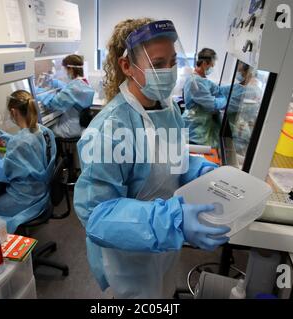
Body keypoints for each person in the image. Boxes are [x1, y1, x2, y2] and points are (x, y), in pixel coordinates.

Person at [73, 19, 230, 299]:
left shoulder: (167, 109)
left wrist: (201, 171)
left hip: (164, 244)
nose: (168, 71)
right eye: (158, 64)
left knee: (163, 293)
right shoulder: (108, 130)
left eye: (172, 61)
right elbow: (98, 216)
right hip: (127, 255)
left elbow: (169, 161)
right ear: (127, 67)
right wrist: (172, 221)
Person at [0, 90, 57, 233]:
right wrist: (10, 138)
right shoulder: (45, 131)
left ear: (14, 112)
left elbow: (0, 172)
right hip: (42, 194)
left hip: (25, 200)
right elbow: (35, 148)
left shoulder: (20, 142)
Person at [42, 54, 95, 139]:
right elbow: (71, 91)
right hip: (81, 125)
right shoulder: (84, 82)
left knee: (46, 130)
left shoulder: (74, 88)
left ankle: (58, 152)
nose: (65, 72)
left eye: (65, 69)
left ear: (70, 69)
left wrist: (41, 94)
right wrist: (55, 82)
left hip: (71, 128)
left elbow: (54, 103)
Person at [182, 48, 227, 146]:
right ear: (204, 64)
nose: (213, 67)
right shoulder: (195, 82)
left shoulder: (202, 80)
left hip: (200, 127)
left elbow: (217, 90)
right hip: (195, 130)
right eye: (212, 64)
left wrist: (225, 93)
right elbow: (213, 104)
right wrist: (225, 100)